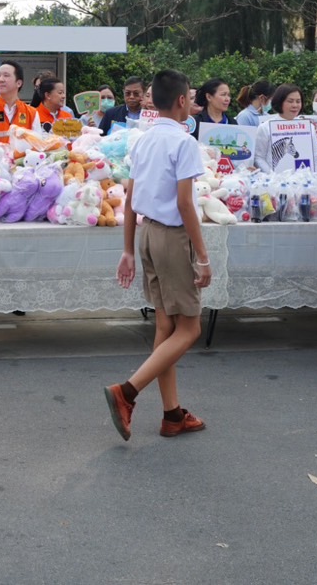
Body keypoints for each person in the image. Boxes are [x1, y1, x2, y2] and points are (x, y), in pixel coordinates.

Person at [104, 69, 210, 441]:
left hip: (148, 234)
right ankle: (127, 392)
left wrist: (127, 250)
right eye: (192, 97)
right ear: (182, 101)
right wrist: (203, 255)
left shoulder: (143, 140)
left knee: (166, 326)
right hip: (171, 237)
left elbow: (131, 199)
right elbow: (185, 204)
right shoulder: (184, 142)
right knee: (190, 327)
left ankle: (172, 414)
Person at [253, 84, 308, 173]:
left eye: (298, 101)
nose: (295, 105)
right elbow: (258, 157)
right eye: (290, 101)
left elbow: (315, 157)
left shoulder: (309, 128)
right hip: (275, 183)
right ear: (280, 101)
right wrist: (272, 176)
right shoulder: (265, 127)